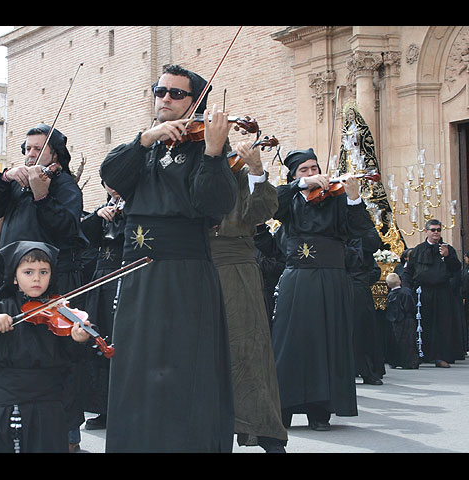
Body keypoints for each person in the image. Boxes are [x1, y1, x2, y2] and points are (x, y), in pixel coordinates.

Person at [100, 64, 237, 452]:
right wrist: (144, 138)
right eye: (160, 91)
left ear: (195, 102)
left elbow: (213, 206)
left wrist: (212, 151)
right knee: (135, 366)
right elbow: (110, 175)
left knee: (184, 368)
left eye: (177, 94)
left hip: (184, 273)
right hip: (138, 272)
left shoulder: (204, 145)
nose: (165, 99)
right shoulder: (144, 145)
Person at [0, 124, 88, 449]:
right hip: (14, 286)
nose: (30, 155)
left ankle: (68, 436)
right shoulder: (17, 185)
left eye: (37, 149)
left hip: (53, 284)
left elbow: (68, 229)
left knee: (59, 361)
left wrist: (42, 195)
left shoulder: (64, 185)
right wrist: (4, 179)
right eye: (27, 149)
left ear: (55, 154)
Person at [271, 148, 369, 431]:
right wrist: (302, 185)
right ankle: (284, 406)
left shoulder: (335, 198)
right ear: (294, 176)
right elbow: (272, 203)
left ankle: (320, 412)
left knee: (328, 342)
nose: (313, 174)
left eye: (315, 168)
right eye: (305, 170)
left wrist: (353, 198)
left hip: (332, 277)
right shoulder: (289, 198)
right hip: (298, 276)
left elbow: (359, 231)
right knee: (289, 342)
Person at [0, 241, 92, 452]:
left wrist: (79, 339)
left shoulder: (61, 311)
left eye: (44, 272)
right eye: (28, 272)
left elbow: (73, 357)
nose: (37, 278)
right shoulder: (1, 306)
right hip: (12, 397)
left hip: (49, 401)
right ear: (14, 277)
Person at [209, 142, 288, 453]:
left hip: (236, 268)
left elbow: (261, 212)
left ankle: (266, 433)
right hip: (193, 265)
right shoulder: (187, 168)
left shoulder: (240, 174)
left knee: (247, 350)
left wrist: (256, 170)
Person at [79, 182, 126, 430]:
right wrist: (97, 216)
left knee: (119, 341)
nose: (113, 188)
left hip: (122, 275)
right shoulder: (104, 208)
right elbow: (85, 237)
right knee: (98, 340)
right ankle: (102, 408)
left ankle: (121, 407)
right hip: (101, 277)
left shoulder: (135, 208)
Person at [402, 219, 465, 367]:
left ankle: (441, 356)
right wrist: (405, 288)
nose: (436, 233)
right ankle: (423, 354)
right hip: (423, 292)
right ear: (426, 231)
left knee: (443, 324)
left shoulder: (447, 248)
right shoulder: (418, 250)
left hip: (442, 291)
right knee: (424, 323)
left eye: (438, 230)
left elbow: (456, 269)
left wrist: (448, 256)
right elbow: (409, 271)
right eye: (433, 230)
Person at [345, 215, 385, 385]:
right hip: (339, 285)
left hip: (358, 289)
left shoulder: (363, 236)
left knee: (362, 331)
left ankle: (367, 370)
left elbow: (372, 247)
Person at [385, 273, 419, 369]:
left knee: (397, 340)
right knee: (409, 341)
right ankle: (410, 362)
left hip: (396, 321)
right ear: (400, 281)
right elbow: (411, 306)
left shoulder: (391, 295)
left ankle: (395, 361)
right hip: (407, 320)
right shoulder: (406, 292)